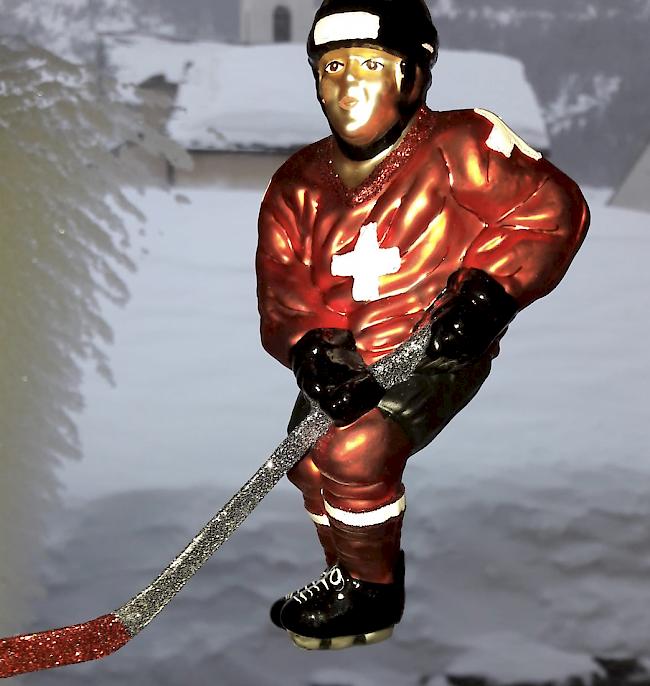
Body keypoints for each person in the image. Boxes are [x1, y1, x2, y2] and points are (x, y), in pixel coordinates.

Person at [256, 0, 589, 651]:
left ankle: (373, 589)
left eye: (370, 64)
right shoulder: (298, 183)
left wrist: (491, 291)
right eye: (332, 66)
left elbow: (549, 210)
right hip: (353, 359)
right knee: (305, 459)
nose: (348, 83)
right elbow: (285, 285)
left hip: (433, 350)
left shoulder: (460, 144)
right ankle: (346, 567)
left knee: (354, 449)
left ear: (412, 75)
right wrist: (311, 349)